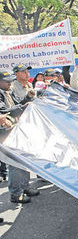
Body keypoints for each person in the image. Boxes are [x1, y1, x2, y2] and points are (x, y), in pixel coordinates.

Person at [0, 70, 39, 203]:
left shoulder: (9, 92)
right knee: (15, 163)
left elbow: (18, 105)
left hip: (16, 131)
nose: (10, 83)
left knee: (23, 160)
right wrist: (23, 107)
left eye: (11, 80)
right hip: (5, 134)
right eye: (7, 81)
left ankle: (24, 187)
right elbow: (3, 111)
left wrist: (27, 98)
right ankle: (16, 193)